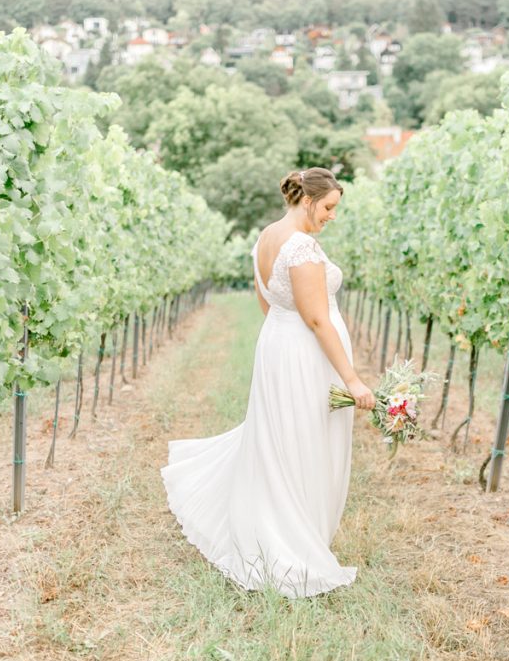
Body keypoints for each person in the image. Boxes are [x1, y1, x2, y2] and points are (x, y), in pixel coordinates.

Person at [160, 167, 375, 598]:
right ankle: (290, 542)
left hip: (279, 346)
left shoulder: (266, 237)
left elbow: (268, 301)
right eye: (329, 207)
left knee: (281, 439)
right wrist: (351, 379)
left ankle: (277, 526)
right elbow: (316, 317)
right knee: (302, 443)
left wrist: (285, 344)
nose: (332, 216)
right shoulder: (300, 247)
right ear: (308, 199)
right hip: (303, 355)